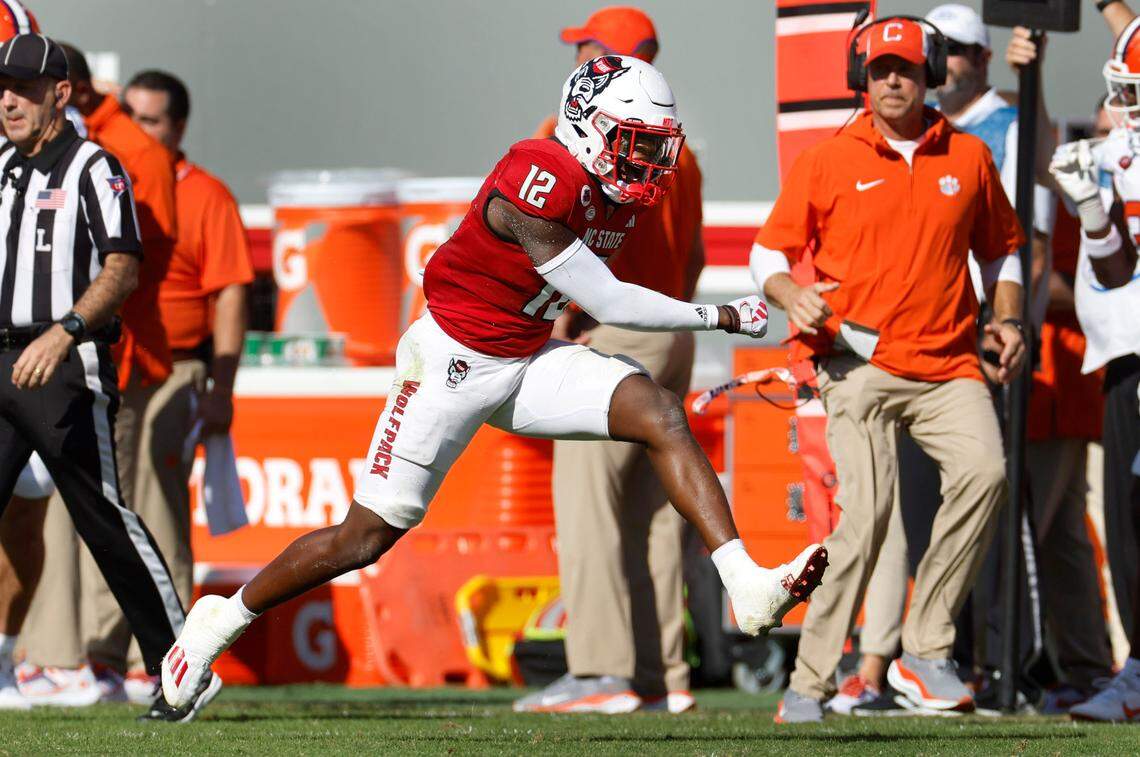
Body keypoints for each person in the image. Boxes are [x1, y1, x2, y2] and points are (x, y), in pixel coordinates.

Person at [160, 54, 829, 710]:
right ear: (586, 124)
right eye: (633, 143)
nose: (647, 163)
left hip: (528, 356)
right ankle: (218, 620)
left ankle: (747, 583)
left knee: (657, 410)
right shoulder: (536, 173)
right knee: (363, 537)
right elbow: (612, 300)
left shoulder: (614, 191)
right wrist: (721, 314)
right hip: (451, 363)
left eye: (654, 147)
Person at [751, 18, 1027, 722]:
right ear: (860, 79)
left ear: (931, 72)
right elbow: (767, 256)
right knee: (866, 520)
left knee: (987, 473)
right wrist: (791, 293)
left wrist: (1011, 317)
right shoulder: (826, 159)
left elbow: (1002, 252)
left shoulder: (968, 157)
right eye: (879, 70)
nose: (892, 81)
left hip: (950, 363)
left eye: (905, 68)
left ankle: (926, 648)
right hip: (858, 364)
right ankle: (808, 685)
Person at [0, 33, 217, 722]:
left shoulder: (96, 167)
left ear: (60, 95)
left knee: (105, 521)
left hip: (66, 363)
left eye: (26, 89)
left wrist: (65, 330)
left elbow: (123, 265)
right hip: (2, 356)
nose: (9, 100)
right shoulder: (3, 166)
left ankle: (182, 665)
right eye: (3, 87)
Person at [513, 6, 705, 715]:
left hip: (615, 330)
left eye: (586, 47)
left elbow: (560, 240)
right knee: (653, 514)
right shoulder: (681, 150)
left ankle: (599, 672)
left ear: (609, 56)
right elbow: (693, 258)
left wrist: (564, 324)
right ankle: (662, 679)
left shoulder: (571, 134)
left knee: (589, 499)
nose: (575, 59)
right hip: (670, 328)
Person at [61, 69, 252, 704]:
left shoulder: (206, 194)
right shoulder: (114, 182)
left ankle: (173, 654)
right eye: (132, 118)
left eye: (151, 121)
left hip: (176, 367)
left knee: (158, 511)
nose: (138, 132)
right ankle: (99, 655)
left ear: (178, 128)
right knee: (100, 509)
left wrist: (222, 386)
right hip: (114, 363)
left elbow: (229, 294)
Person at [1049, 12, 1140, 723]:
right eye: (1124, 91)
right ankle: (1137, 666)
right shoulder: (1118, 154)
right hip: (1125, 355)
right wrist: (1092, 211)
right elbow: (1116, 273)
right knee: (1129, 516)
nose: (1125, 107)